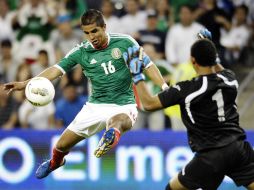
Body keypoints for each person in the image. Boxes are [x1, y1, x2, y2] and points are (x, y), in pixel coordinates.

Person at [3, 9, 167, 179]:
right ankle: (55, 163)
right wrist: (26, 83)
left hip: (124, 104)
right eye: (86, 33)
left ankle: (111, 135)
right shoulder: (81, 51)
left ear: (104, 27)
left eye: (95, 31)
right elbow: (56, 70)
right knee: (61, 145)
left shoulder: (125, 42)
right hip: (94, 107)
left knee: (117, 122)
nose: (91, 37)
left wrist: (164, 86)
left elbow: (148, 65)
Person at [127, 39, 254, 189]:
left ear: (193, 60)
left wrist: (137, 75)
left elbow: (148, 104)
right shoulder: (230, 79)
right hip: (238, 148)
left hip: (210, 155)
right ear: (214, 58)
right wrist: (210, 51)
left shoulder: (188, 90)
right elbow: (220, 70)